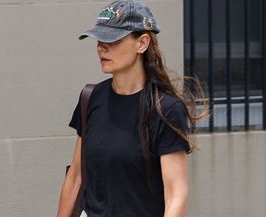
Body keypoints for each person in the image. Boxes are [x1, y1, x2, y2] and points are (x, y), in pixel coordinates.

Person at [57, 0, 207, 217]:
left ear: (142, 43)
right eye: (99, 38)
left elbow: (176, 196)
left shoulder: (166, 110)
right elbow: (76, 178)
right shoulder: (90, 98)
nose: (102, 47)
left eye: (113, 39)